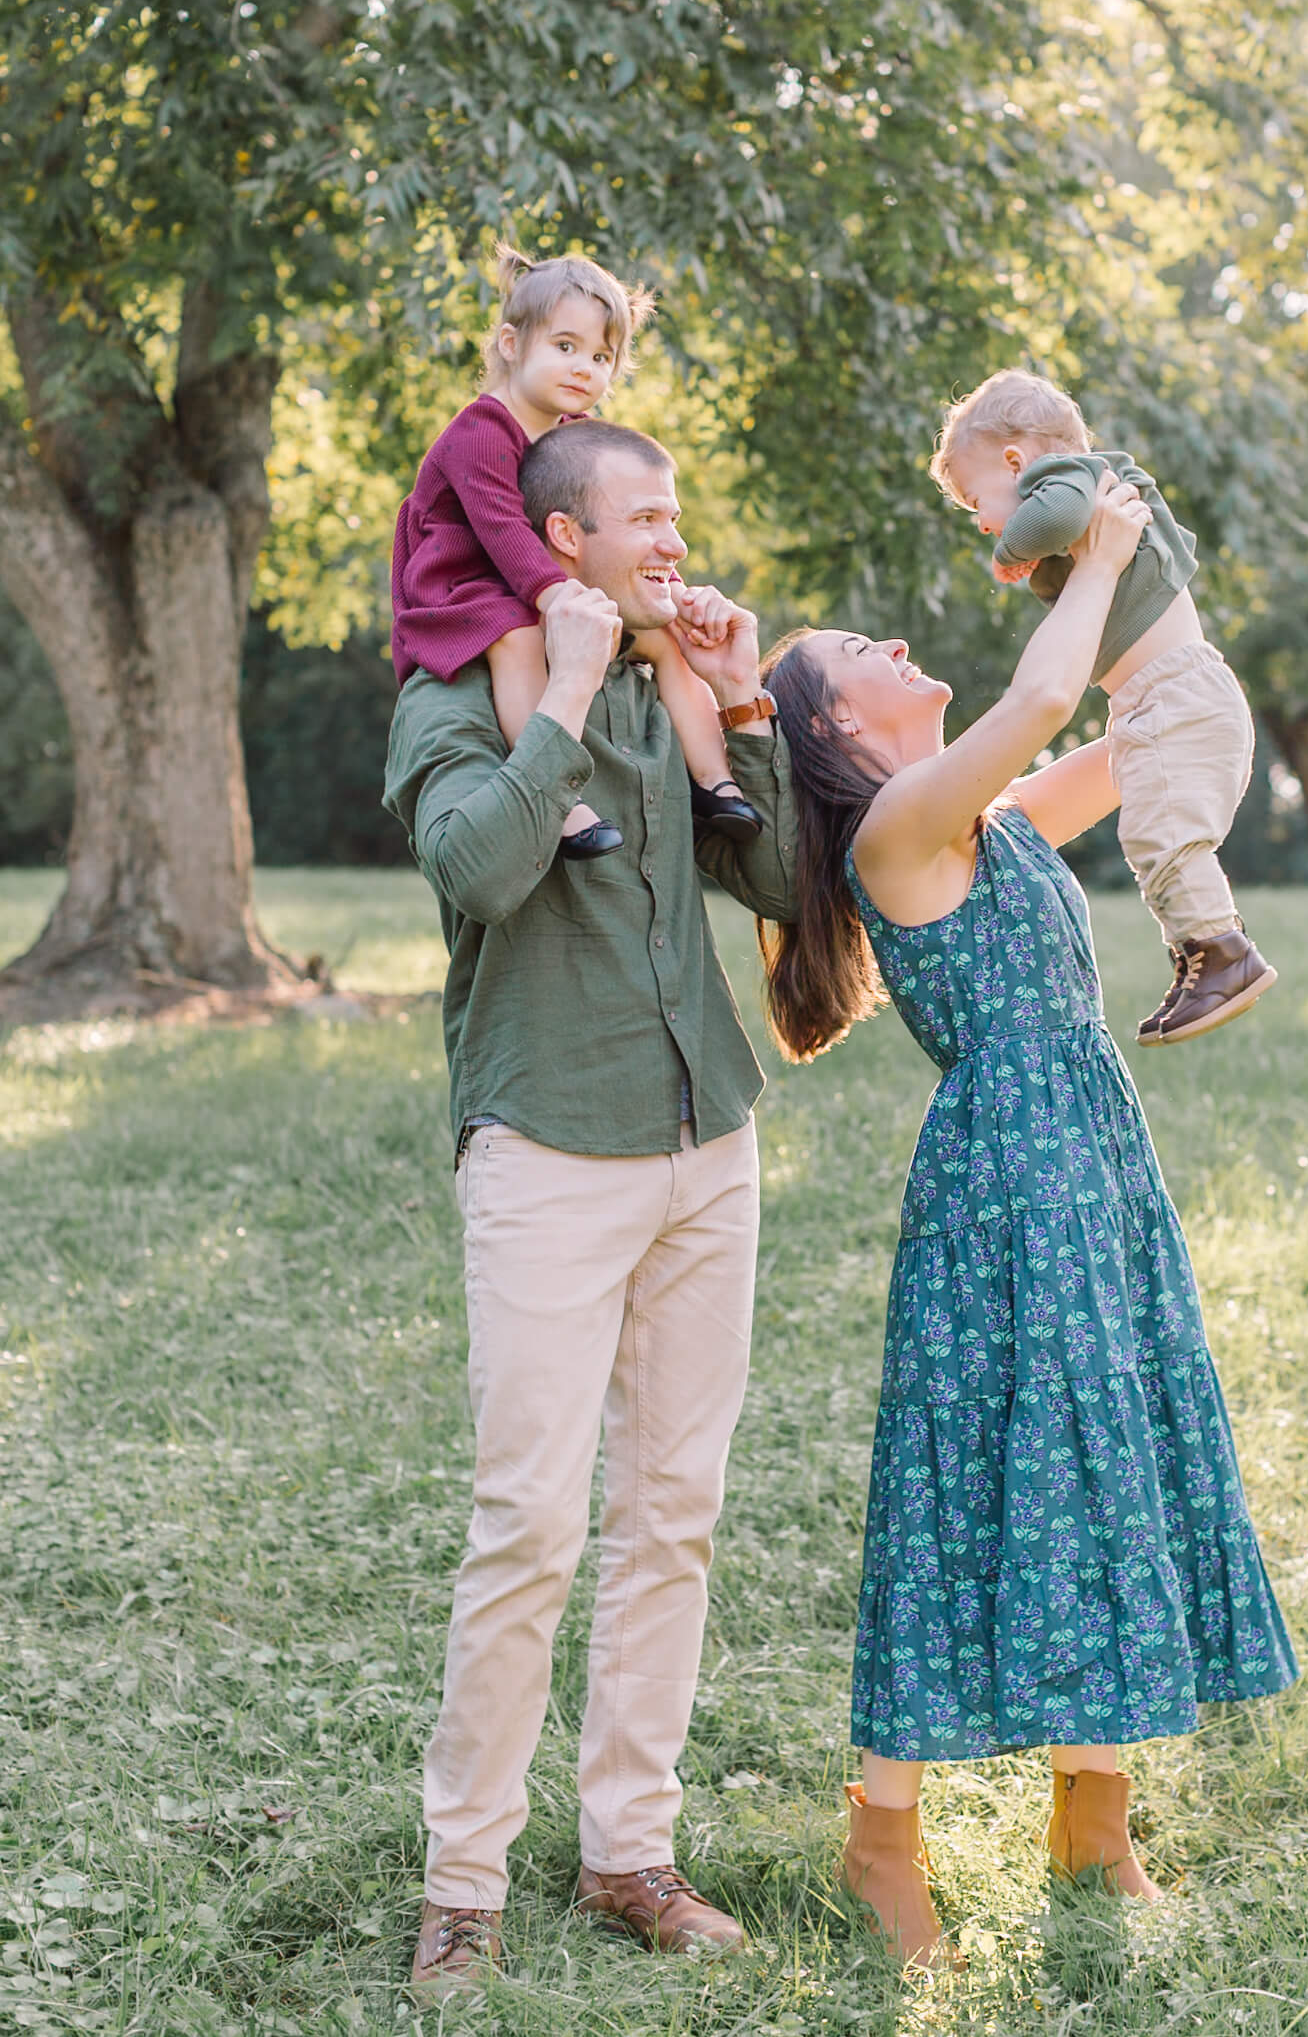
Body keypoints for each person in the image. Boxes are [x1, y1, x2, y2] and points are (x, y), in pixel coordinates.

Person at [755, 470, 1299, 1971]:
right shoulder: (901, 830)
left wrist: (1163, 623)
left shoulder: (982, 821)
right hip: (1005, 1183)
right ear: (834, 724)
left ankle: (1094, 1817)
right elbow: (1049, 689)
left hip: (1091, 1160)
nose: (889, 641)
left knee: (1104, 1458)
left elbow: (1125, 734)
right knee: (971, 1481)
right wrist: (1104, 541)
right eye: (858, 645)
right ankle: (881, 1840)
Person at [383, 419, 799, 2002]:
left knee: (673, 1513)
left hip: (709, 1144)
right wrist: (556, 694)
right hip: (550, 1144)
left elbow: (777, 889)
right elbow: (483, 868)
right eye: (646, 514)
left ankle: (629, 1850)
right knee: (528, 1527)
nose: (674, 536)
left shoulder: (678, 685)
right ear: (564, 541)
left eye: (680, 507)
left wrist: (747, 692)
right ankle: (463, 1884)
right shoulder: (452, 691)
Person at [932, 368, 1275, 1046]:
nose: (980, 522)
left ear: (1016, 461)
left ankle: (1225, 956)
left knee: (1162, 835)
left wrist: (1011, 548)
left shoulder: (1070, 480)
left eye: (978, 500)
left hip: (1174, 694)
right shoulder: (1083, 493)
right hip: (1163, 698)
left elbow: (1050, 516)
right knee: (1153, 837)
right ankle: (1197, 955)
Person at [390, 244, 759, 859]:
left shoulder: (572, 435)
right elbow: (504, 529)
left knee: (665, 638)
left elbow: (608, 526)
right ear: (512, 345)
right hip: (462, 583)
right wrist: (560, 594)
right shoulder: (482, 432)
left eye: (600, 356)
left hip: (530, 578)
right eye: (564, 347)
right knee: (518, 638)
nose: (583, 368)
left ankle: (714, 782)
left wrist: (669, 593)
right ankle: (559, 801)